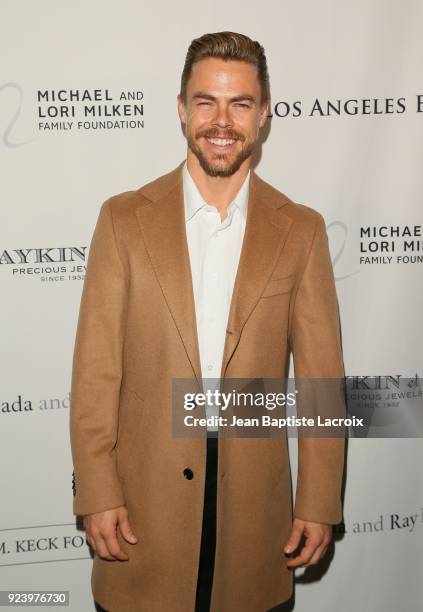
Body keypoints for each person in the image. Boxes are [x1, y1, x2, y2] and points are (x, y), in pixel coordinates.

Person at [70, 31, 346, 612]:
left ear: (264, 114)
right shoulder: (122, 220)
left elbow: (322, 382)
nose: (222, 121)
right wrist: (96, 489)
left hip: (255, 516)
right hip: (142, 514)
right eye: (206, 102)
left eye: (241, 103)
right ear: (180, 108)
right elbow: (96, 373)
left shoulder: (302, 230)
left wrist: (320, 500)